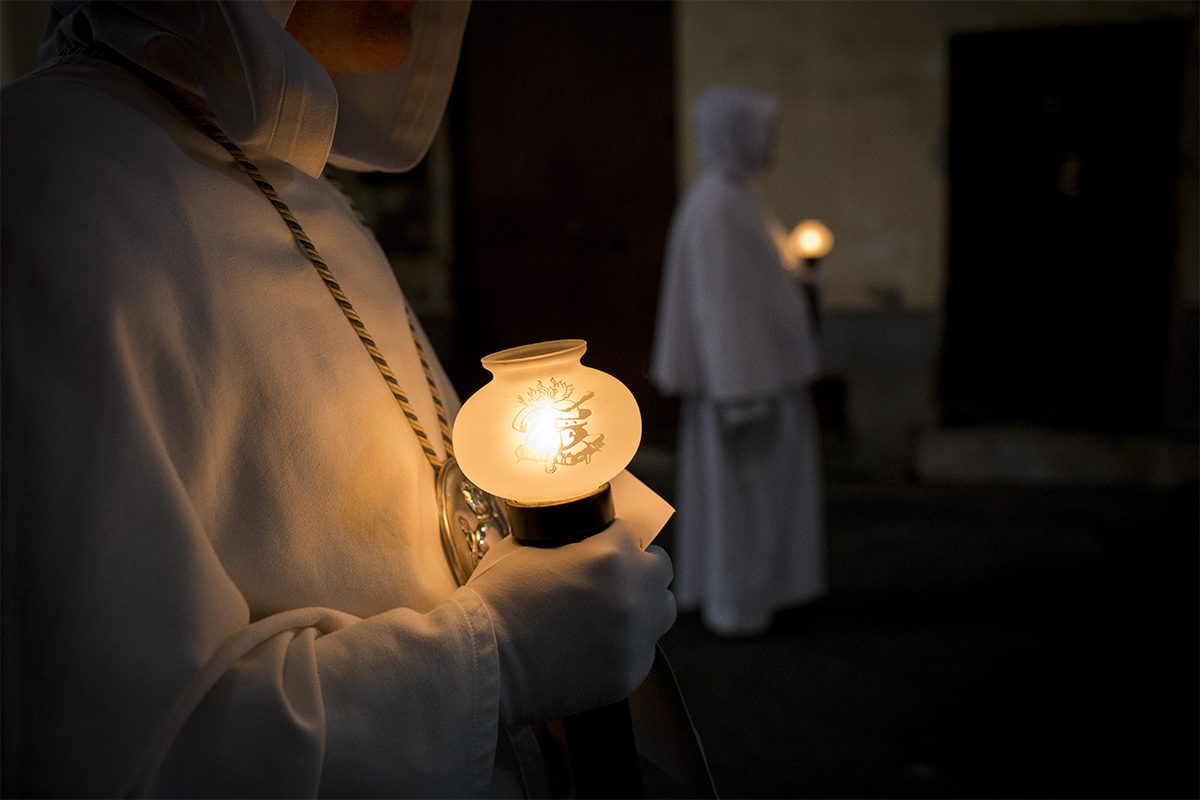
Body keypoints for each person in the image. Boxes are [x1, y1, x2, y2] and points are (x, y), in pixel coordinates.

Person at [0, 1, 675, 796]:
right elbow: (103, 757)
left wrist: (555, 538)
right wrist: (498, 655)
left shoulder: (302, 187)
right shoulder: (42, 181)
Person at [650, 86, 825, 638]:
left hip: (760, 379)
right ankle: (740, 603)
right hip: (747, 387)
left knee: (755, 499)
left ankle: (758, 593)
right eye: (760, 133)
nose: (768, 145)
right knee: (744, 502)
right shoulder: (720, 205)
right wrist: (741, 390)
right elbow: (722, 307)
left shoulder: (735, 196)